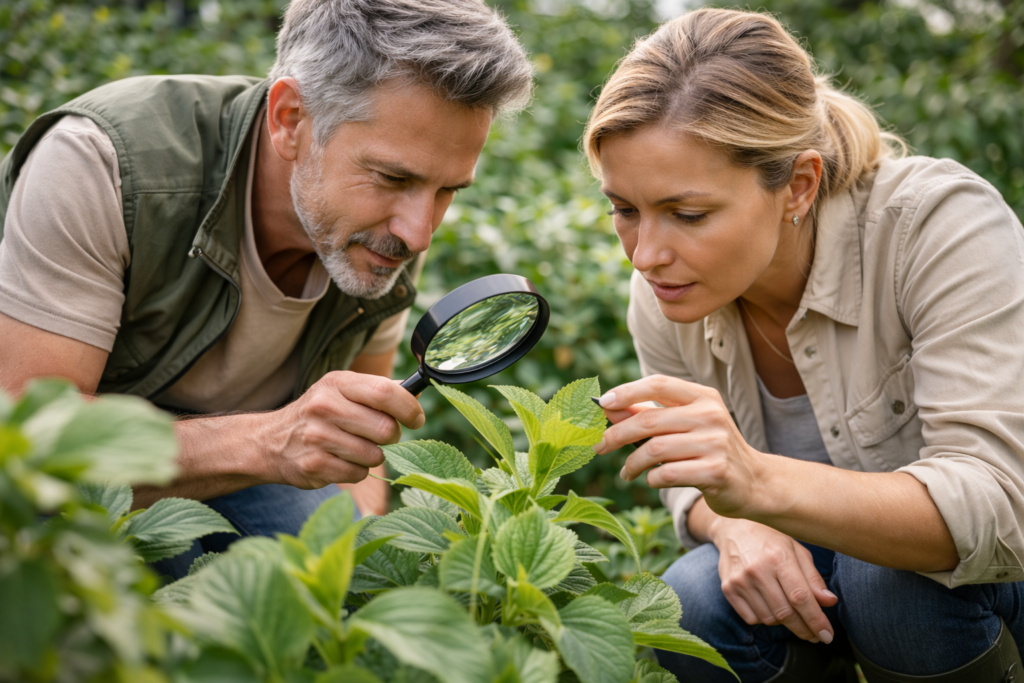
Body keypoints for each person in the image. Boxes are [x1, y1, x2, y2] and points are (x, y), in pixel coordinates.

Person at [0, 0, 532, 578]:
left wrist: (355, 534)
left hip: (249, 465)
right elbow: (32, 436)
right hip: (78, 473)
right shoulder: (103, 163)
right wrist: (269, 441)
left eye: (448, 189)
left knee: (365, 579)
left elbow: (368, 399)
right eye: (392, 177)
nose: (420, 231)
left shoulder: (384, 235)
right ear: (290, 120)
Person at [583, 8, 1024, 682]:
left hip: (981, 578)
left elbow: (999, 503)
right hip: (820, 578)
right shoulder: (665, 292)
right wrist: (731, 522)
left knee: (889, 582)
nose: (644, 254)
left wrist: (756, 484)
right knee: (690, 601)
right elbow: (692, 485)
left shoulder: (937, 226)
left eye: (688, 213)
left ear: (798, 185)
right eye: (623, 209)